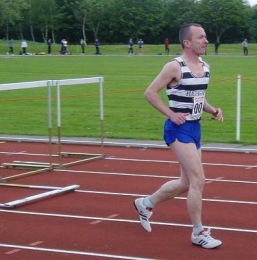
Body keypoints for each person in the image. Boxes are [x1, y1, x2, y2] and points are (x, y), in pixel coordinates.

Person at [134, 23, 223, 249]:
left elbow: (197, 97)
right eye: (201, 37)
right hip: (178, 129)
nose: (206, 41)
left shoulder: (205, 66)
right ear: (187, 42)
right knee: (198, 179)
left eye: (206, 37)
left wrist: (212, 109)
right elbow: (149, 93)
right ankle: (198, 232)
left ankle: (146, 203)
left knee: (186, 182)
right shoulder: (174, 66)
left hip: (195, 128)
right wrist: (171, 114)